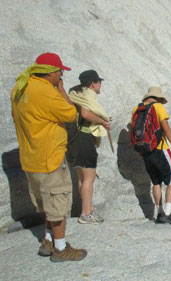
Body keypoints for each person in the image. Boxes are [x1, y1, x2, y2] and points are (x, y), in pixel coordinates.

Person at [10, 53, 87, 262]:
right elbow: (71, 114)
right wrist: (61, 90)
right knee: (57, 204)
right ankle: (61, 249)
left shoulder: (20, 87)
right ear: (51, 73)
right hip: (49, 158)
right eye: (60, 71)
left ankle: (46, 241)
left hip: (30, 158)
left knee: (45, 204)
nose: (61, 75)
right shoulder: (45, 91)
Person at [131, 86, 171, 225]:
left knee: (156, 182)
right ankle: (168, 213)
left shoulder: (137, 108)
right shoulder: (158, 106)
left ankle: (159, 213)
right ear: (158, 98)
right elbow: (165, 126)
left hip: (145, 150)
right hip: (160, 148)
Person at [66, 70, 109, 224]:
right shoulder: (89, 94)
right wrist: (102, 121)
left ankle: (87, 209)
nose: (100, 85)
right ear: (93, 83)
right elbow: (85, 113)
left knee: (82, 178)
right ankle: (86, 213)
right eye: (99, 82)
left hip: (73, 139)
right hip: (84, 138)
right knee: (89, 177)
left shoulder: (76, 93)